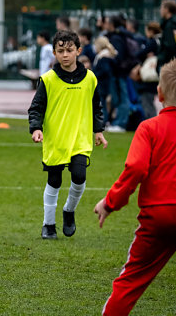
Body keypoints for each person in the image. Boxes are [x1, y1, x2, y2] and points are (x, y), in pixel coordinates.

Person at [93, 58, 176, 315]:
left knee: (130, 281)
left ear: (159, 94)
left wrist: (110, 202)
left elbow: (136, 168)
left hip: (157, 215)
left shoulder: (148, 128)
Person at [28, 30, 108, 240]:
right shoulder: (48, 79)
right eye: (60, 51)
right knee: (54, 181)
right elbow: (36, 108)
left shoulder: (90, 78)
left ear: (78, 51)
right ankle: (48, 224)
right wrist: (36, 128)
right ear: (54, 53)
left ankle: (69, 211)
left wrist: (98, 131)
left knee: (79, 177)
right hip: (56, 140)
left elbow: (96, 107)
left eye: (69, 50)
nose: (65, 55)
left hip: (80, 139)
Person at [93, 36, 117, 123]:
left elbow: (105, 70)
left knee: (102, 104)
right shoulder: (107, 56)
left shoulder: (103, 57)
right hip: (105, 84)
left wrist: (94, 75)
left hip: (102, 85)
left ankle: (103, 121)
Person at [157, 0, 176, 71]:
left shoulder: (170, 26)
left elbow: (170, 46)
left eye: (161, 8)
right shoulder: (170, 24)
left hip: (168, 64)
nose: (160, 10)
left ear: (167, 9)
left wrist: (161, 58)